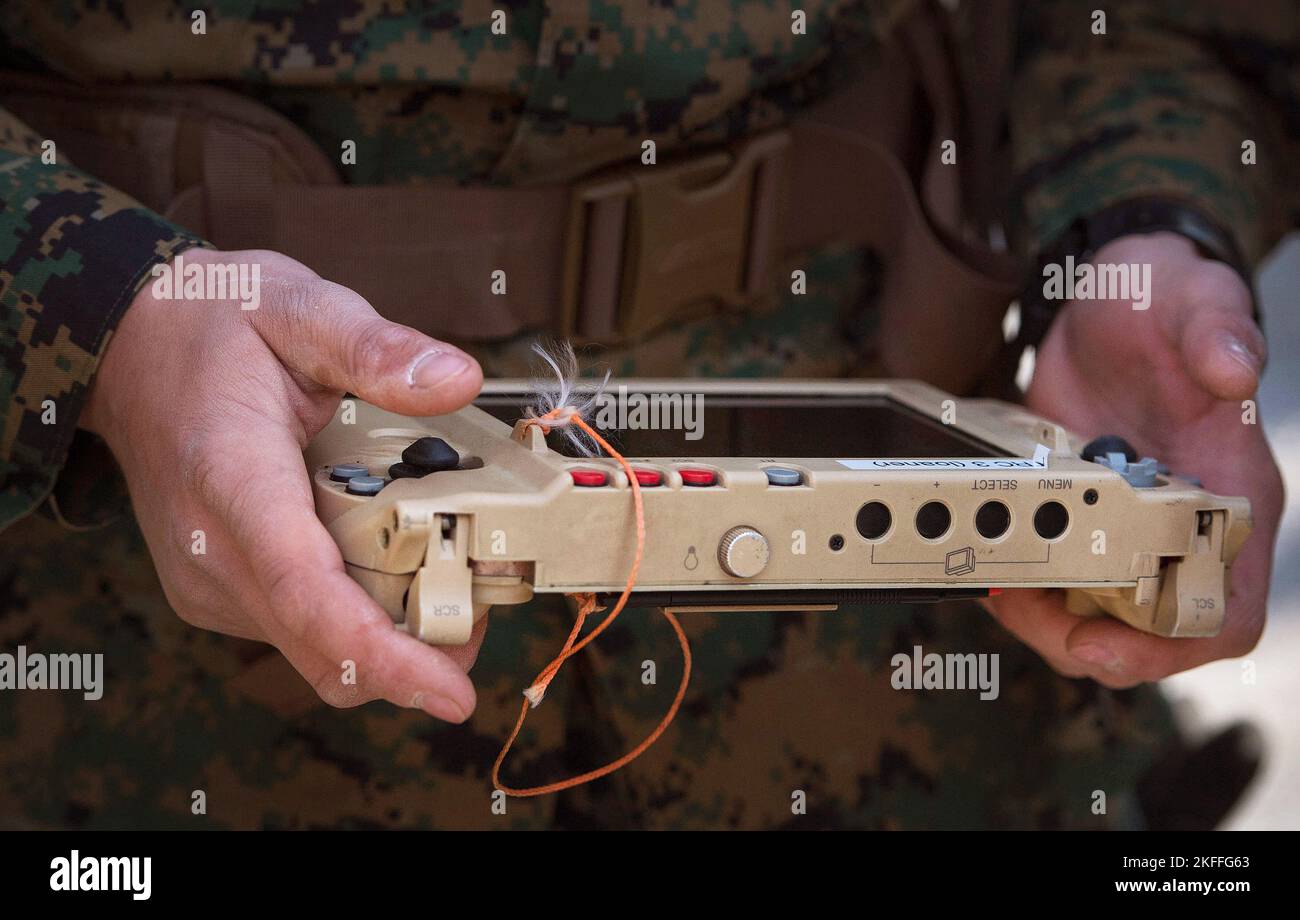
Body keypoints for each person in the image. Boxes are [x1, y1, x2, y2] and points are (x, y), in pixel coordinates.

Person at [0, 0, 1287, 829]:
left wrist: (1143, 224)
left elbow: (1172, 27)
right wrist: (109, 314)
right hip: (144, 629)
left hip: (903, 673)